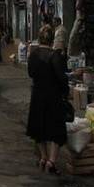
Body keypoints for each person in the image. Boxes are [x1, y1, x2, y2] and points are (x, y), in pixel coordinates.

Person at [26, 25, 68, 175]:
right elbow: (61, 77)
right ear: (52, 40)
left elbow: (30, 73)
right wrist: (66, 91)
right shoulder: (54, 55)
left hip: (37, 94)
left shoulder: (33, 54)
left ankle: (43, 157)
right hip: (52, 96)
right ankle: (51, 161)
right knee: (56, 129)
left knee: (38, 127)